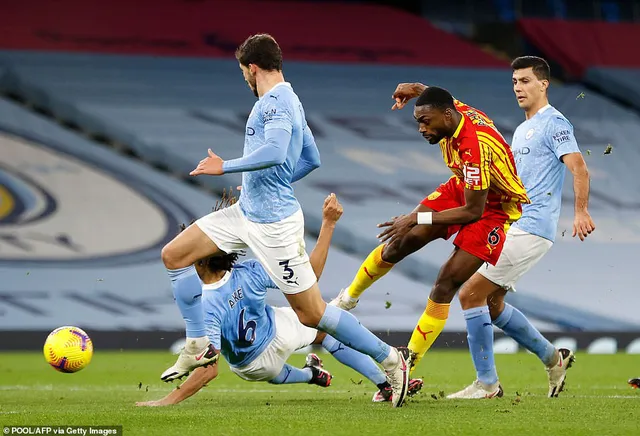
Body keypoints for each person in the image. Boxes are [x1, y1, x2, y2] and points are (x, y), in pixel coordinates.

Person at [160, 33, 409, 407]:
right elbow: (311, 159)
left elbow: (276, 151)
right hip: (247, 212)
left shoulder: (275, 102)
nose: (244, 77)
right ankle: (198, 344)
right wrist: (259, 185)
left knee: (312, 314)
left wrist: (223, 167)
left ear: (252, 67)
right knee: (174, 254)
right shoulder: (290, 100)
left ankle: (391, 360)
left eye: (243, 70)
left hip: (273, 224)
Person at [138, 194, 423, 406]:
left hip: (252, 365)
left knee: (276, 371)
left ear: (199, 260)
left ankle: (313, 375)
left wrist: (167, 401)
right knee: (327, 330)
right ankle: (386, 382)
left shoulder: (203, 304)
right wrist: (328, 224)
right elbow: (308, 275)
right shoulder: (248, 271)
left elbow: (208, 369)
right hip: (278, 332)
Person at [332, 86, 529, 385]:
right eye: (418, 121)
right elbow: (435, 94)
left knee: (445, 281)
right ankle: (346, 300)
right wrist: (415, 89)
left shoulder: (473, 147)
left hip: (492, 208)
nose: (422, 128)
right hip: (462, 186)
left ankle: (406, 364)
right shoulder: (452, 110)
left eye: (426, 121)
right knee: (399, 242)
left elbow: (472, 212)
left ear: (447, 116)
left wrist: (415, 217)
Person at [443, 56, 594, 399]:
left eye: (525, 81)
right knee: (491, 304)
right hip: (513, 224)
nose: (518, 88)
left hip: (531, 226)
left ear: (543, 84)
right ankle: (553, 358)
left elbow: (579, 168)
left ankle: (487, 384)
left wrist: (581, 212)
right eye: (514, 82)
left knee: (469, 293)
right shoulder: (524, 127)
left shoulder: (554, 123)